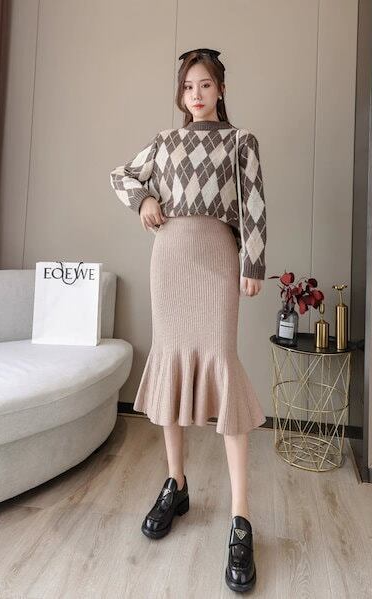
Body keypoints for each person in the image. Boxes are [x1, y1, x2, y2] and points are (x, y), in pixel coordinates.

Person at [110, 48, 267, 593]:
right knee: (172, 364)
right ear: (181, 94)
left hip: (216, 259)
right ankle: (175, 484)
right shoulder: (165, 141)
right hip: (171, 261)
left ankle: (240, 518)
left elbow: (254, 205)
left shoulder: (240, 141)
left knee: (222, 364)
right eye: (187, 87)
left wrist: (253, 263)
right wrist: (144, 200)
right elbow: (121, 175)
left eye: (204, 84)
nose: (195, 94)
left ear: (220, 88)